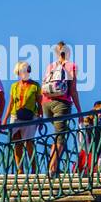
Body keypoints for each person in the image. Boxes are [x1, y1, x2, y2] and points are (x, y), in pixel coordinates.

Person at [41, 41, 81, 175]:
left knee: (58, 135)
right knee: (60, 137)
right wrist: (79, 111)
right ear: (68, 52)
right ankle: (53, 168)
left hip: (46, 103)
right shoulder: (71, 66)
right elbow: (73, 90)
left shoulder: (50, 66)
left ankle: (53, 165)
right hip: (61, 103)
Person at [5, 60, 40, 174]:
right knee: (16, 142)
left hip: (30, 116)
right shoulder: (14, 86)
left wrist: (41, 118)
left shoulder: (35, 86)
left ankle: (34, 168)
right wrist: (5, 119)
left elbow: (39, 103)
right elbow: (10, 103)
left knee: (29, 142)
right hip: (16, 115)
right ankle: (20, 169)